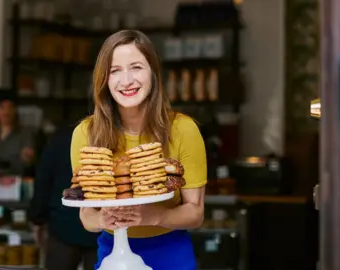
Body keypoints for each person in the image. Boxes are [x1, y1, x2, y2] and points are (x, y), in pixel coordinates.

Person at [70, 30, 207, 270]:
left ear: (153, 73)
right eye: (115, 71)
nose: (126, 81)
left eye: (136, 67)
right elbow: (86, 215)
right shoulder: (86, 133)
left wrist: (153, 216)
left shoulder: (184, 130)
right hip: (114, 253)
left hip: (171, 253)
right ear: (104, 79)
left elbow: (195, 213)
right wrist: (102, 219)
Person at [28, 126, 99, 270]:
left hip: (63, 226)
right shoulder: (113, 136)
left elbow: (43, 179)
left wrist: (37, 219)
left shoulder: (61, 138)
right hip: (100, 228)